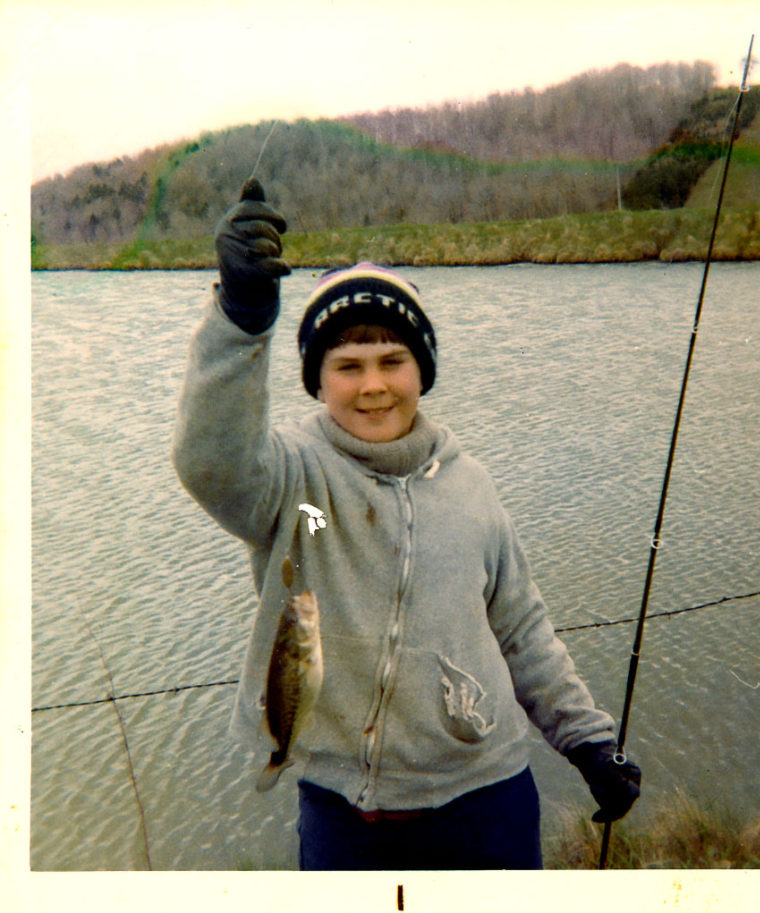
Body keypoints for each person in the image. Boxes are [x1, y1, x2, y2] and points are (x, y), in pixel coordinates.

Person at [172, 179, 640, 870]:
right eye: (347, 366)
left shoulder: (472, 487)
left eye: (393, 361)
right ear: (316, 379)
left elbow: (521, 630)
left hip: (489, 797)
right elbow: (212, 463)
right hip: (345, 812)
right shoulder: (294, 487)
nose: (372, 385)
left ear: (422, 370)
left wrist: (588, 741)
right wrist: (241, 316)